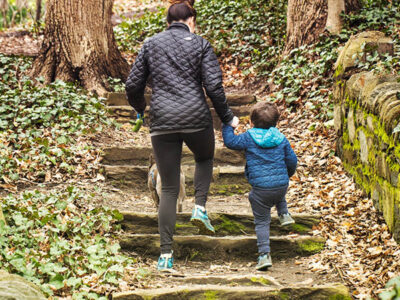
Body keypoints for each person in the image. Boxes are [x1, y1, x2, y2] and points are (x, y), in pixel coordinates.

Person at [125, 0, 239, 271]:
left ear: (168, 22)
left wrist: (141, 108)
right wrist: (227, 117)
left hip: (163, 121)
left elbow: (132, 85)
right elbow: (213, 85)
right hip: (196, 118)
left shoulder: (151, 44)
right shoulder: (200, 44)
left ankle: (165, 255)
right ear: (190, 20)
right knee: (204, 158)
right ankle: (199, 206)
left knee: (169, 188)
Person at [222, 101, 297, 270]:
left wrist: (228, 125)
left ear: (251, 122)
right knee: (277, 186)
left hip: (261, 191)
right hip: (281, 186)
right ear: (276, 123)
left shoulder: (249, 137)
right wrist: (288, 175)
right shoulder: (281, 138)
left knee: (262, 221)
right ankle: (283, 213)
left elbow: (231, 142)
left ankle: (264, 255)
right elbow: (292, 160)